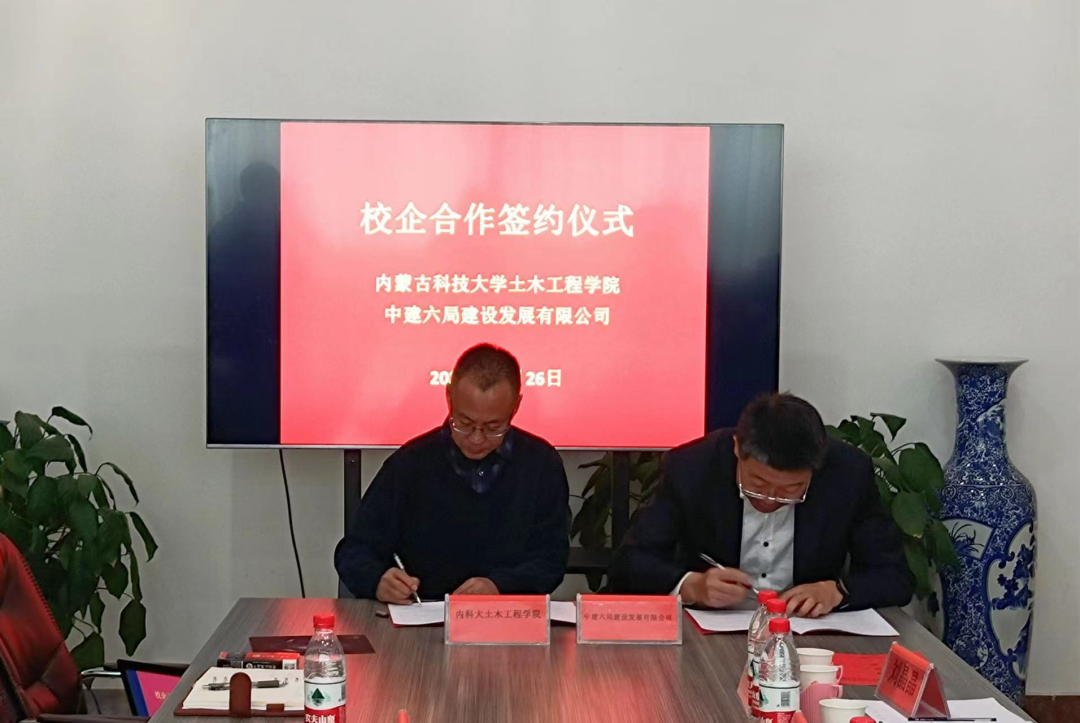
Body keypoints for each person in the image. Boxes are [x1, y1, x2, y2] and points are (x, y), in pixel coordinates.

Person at [608, 393, 912, 616]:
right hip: (708, 636)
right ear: (737, 448)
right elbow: (631, 561)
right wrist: (693, 586)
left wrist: (837, 592)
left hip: (807, 636)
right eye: (757, 483)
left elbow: (894, 576)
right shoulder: (693, 466)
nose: (769, 500)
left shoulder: (848, 473)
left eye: (791, 489)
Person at [335, 343, 570, 603]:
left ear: (515, 407)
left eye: (493, 427)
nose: (477, 438)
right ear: (449, 397)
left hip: (508, 614)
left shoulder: (541, 464)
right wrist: (378, 580)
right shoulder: (410, 464)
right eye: (464, 423)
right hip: (424, 615)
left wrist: (499, 586)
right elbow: (354, 551)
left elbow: (551, 560)